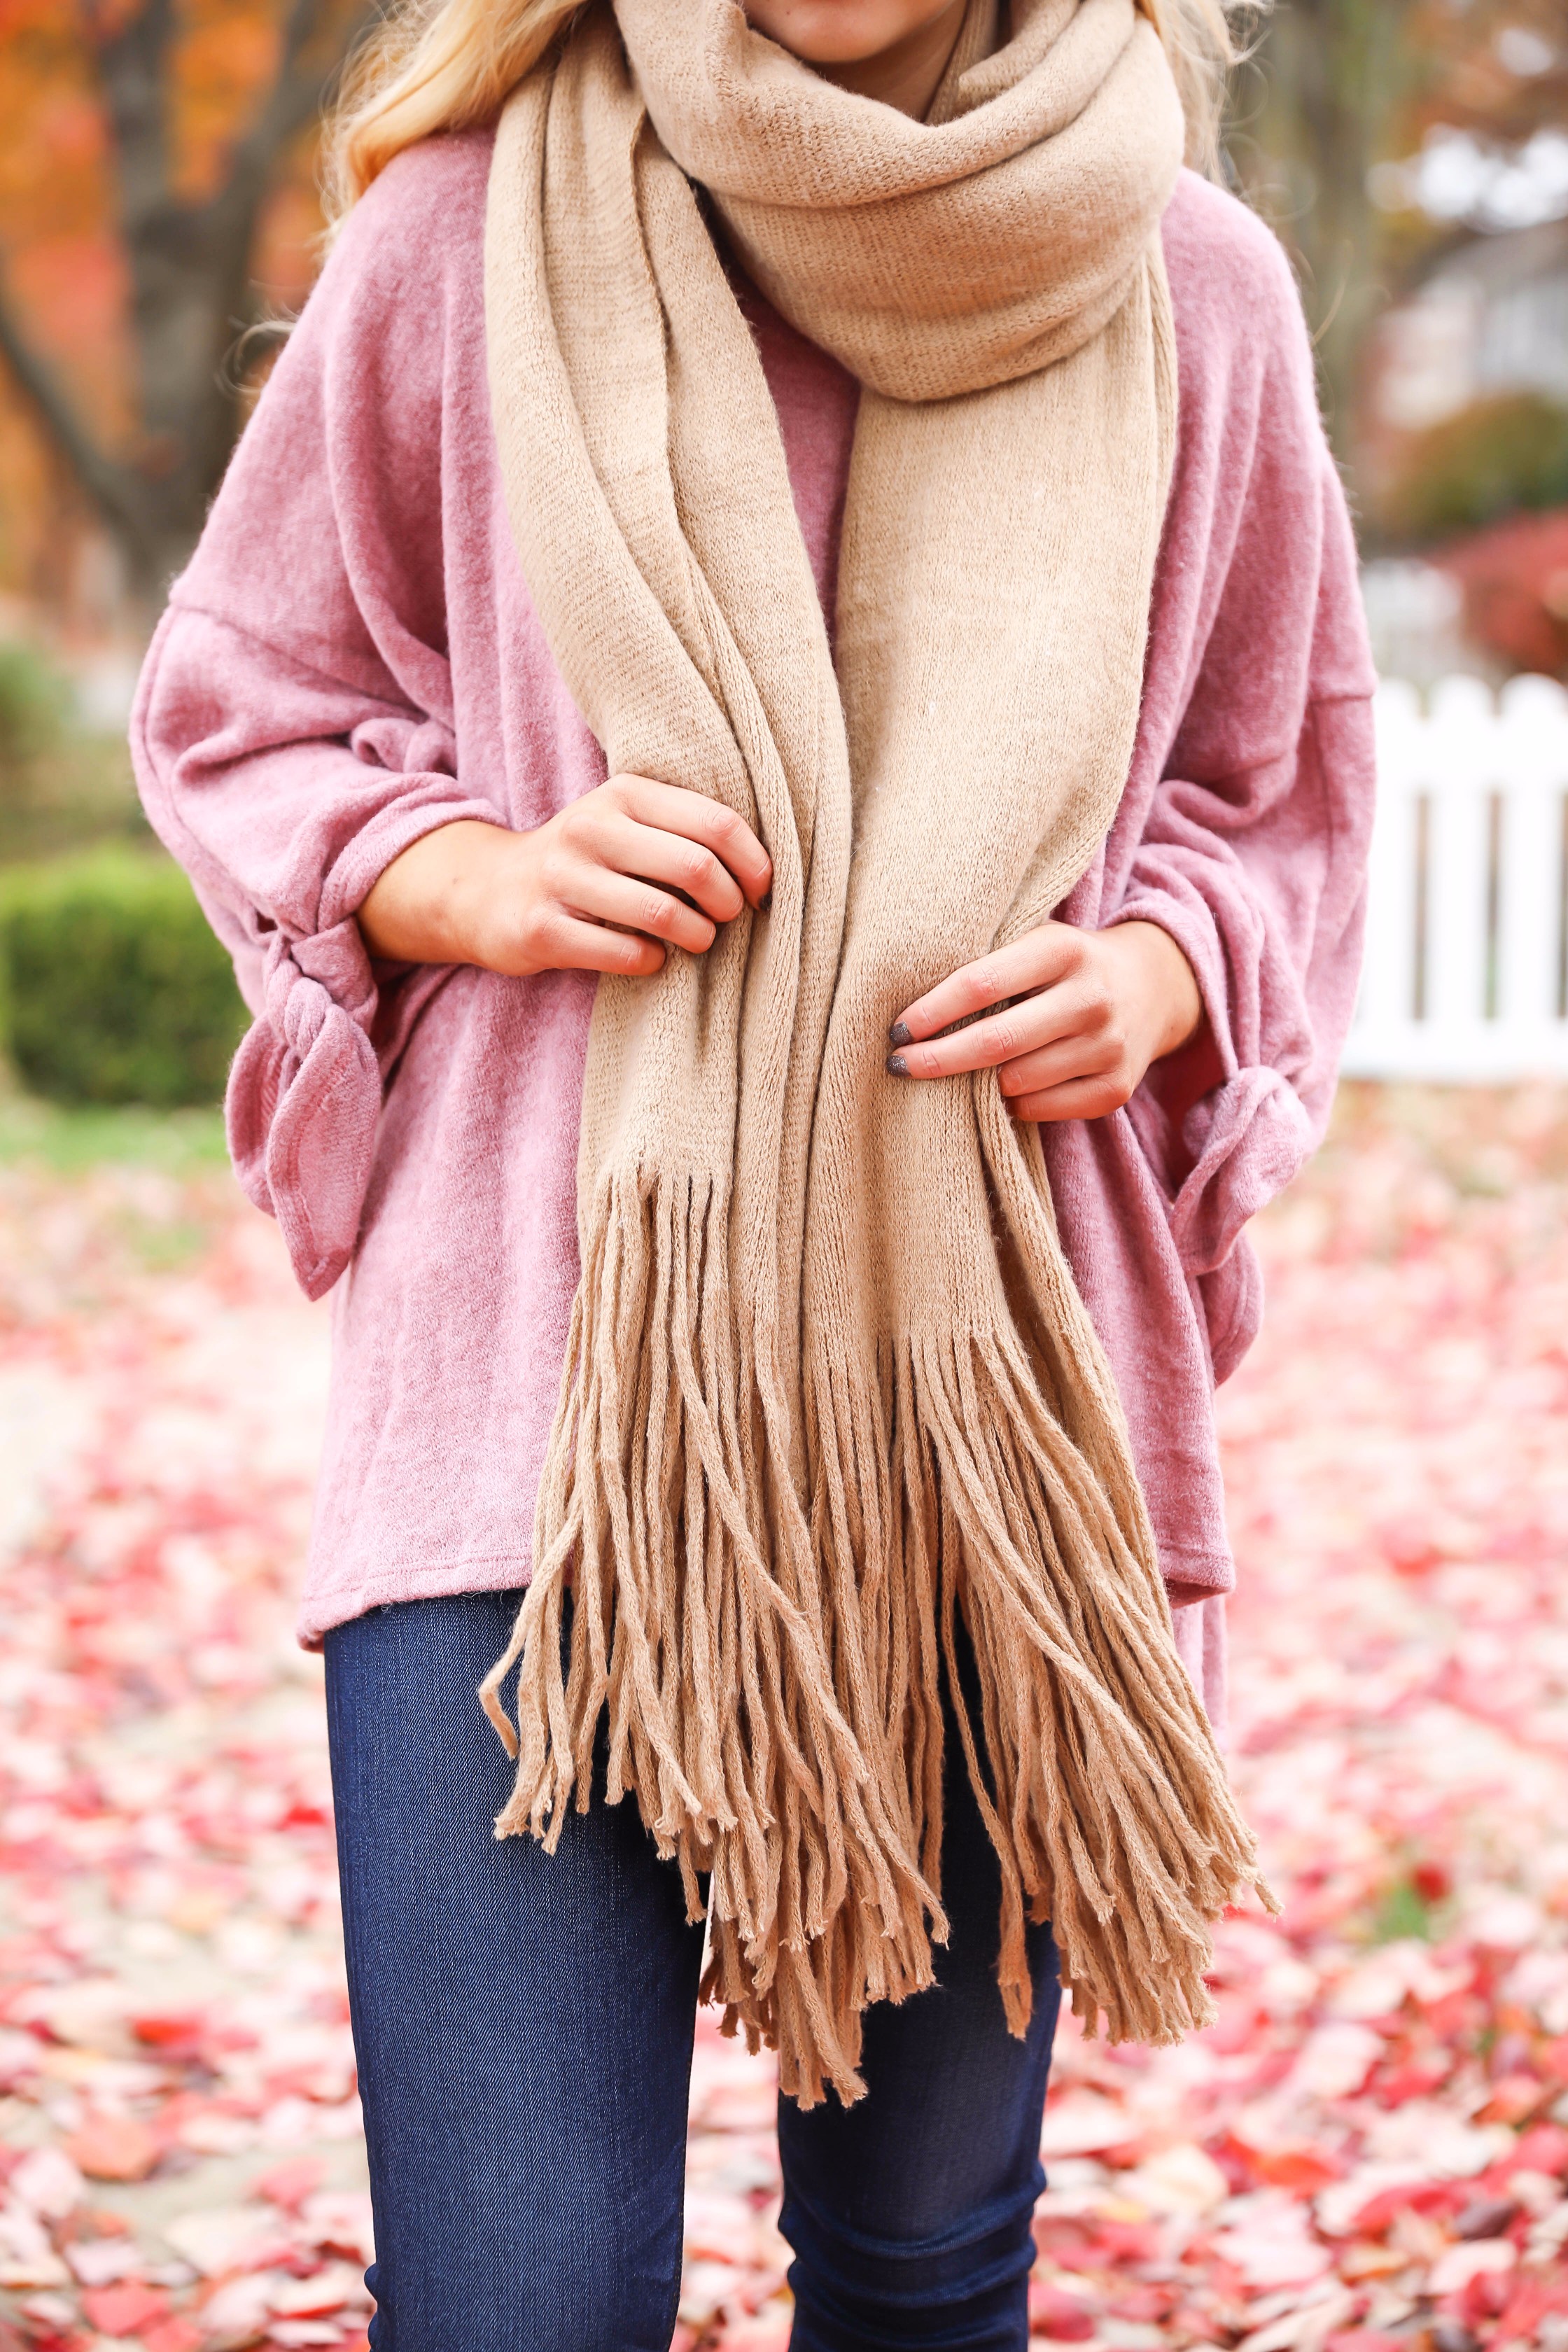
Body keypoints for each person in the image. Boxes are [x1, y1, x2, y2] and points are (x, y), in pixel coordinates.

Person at [132, 0, 1377, 2341]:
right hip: (528, 1399)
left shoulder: (1190, 283)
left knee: (923, 2277)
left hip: (979, 1421)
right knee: (517, 2302)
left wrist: (1169, 968)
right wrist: (460, 873)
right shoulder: (458, 239)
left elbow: (1276, 784)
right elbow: (241, 699)